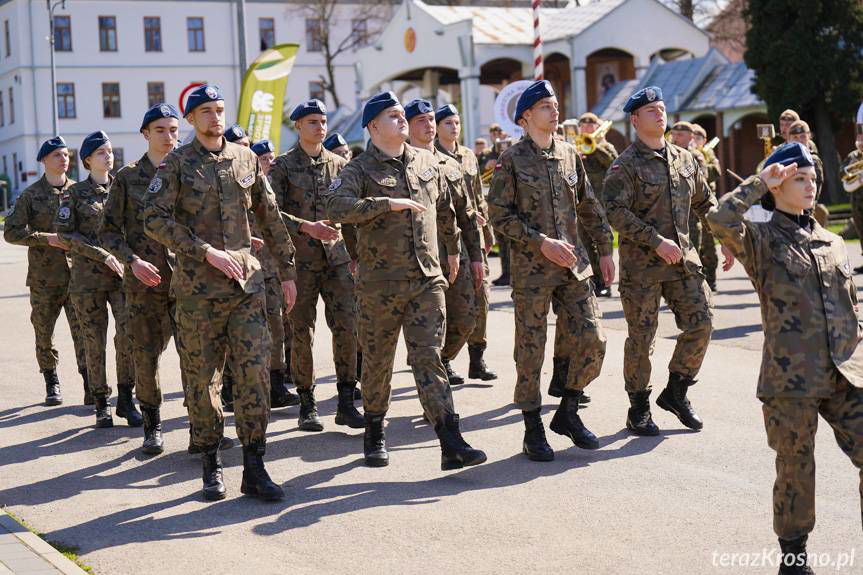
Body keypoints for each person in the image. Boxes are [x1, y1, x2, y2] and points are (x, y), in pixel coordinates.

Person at [707, 142, 863, 575]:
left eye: (813, 178)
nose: (811, 185)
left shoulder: (833, 241)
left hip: (846, 374)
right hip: (791, 380)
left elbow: (849, 309)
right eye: (799, 179)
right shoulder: (761, 239)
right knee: (796, 469)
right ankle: (794, 559)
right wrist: (760, 183)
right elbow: (719, 219)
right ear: (777, 185)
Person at [143, 85, 297, 502]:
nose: (215, 117)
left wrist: (287, 272)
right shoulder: (177, 164)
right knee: (202, 380)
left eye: (220, 110)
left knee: (254, 376)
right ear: (191, 119)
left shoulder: (245, 159)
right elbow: (152, 219)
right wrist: (204, 251)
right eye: (207, 111)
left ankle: (254, 467)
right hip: (198, 293)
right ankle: (210, 461)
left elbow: (270, 215)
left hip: (246, 288)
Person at [323, 91, 487, 470]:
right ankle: (374, 430)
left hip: (426, 280)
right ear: (373, 126)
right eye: (393, 116)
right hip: (380, 284)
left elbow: (445, 209)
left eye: (402, 114)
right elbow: (334, 207)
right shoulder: (359, 169)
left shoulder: (427, 162)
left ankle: (450, 439)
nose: (401, 120)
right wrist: (385, 204)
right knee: (378, 360)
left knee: (429, 356)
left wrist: (452, 251)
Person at [488, 80, 614, 461]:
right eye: (545, 105)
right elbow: (499, 216)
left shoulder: (570, 154)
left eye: (556, 104)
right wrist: (540, 242)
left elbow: (588, 205)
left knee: (593, 338)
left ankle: (568, 410)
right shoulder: (511, 160)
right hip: (532, 270)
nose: (555, 110)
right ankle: (532, 428)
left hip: (573, 266)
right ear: (525, 117)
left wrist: (605, 250)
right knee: (531, 350)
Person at [603, 86, 733, 436]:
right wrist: (655, 240)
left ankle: (676, 391)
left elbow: (706, 202)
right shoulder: (625, 165)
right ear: (635, 120)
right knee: (642, 338)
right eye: (651, 110)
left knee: (702, 323)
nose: (659, 113)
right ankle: (638, 407)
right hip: (642, 268)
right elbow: (614, 212)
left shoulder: (685, 159)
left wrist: (725, 238)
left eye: (661, 108)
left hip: (683, 263)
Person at [268, 99, 363, 432]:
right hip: (301, 262)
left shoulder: (340, 165)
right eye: (312, 122)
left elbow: (351, 212)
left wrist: (356, 254)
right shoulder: (282, 167)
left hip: (338, 261)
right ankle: (307, 404)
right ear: (298, 126)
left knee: (348, 327)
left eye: (323, 121)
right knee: (301, 333)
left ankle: (346, 401)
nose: (320, 127)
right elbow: (269, 213)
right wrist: (306, 227)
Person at [99, 104, 183, 454]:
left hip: (190, 282)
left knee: (198, 356)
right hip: (144, 283)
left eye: (174, 130)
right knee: (146, 355)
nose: (169, 137)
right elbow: (107, 231)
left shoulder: (190, 170)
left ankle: (203, 427)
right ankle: (152, 425)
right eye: (160, 130)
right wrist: (131, 261)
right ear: (146, 134)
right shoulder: (128, 177)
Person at [55, 131, 141, 429]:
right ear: (88, 160)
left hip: (121, 279)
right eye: (101, 152)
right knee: (94, 341)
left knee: (127, 335)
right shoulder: (74, 194)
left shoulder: (122, 188)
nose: (109, 156)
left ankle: (126, 398)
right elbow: (65, 234)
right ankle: (101, 402)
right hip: (87, 281)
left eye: (110, 151)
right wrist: (101, 255)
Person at [4, 137, 88, 406]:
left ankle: (90, 382)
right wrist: (45, 238)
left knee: (84, 332)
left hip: (78, 277)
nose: (64, 159)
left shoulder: (79, 191)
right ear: (44, 160)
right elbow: (11, 232)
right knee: (43, 332)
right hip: (44, 278)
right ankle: (51, 381)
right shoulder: (30, 195)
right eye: (57, 155)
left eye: (66, 155)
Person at [404, 99, 482, 386]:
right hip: (416, 257)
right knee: (427, 323)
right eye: (421, 121)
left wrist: (477, 256)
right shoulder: (400, 164)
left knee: (466, 317)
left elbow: (466, 213)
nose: (428, 125)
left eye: (430, 119)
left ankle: (443, 358)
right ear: (408, 126)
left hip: (453, 253)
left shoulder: (450, 164)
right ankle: (430, 370)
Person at [435, 103, 498, 381]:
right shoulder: (431, 156)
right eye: (448, 123)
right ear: (437, 127)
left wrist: (488, 233)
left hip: (474, 234)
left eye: (457, 122)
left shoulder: (468, 156)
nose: (454, 127)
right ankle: (444, 358)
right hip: (447, 238)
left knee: (481, 297)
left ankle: (477, 358)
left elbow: (477, 197)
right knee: (453, 303)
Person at [692, 124, 722, 291]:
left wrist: (701, 164)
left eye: (698, 137)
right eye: (693, 137)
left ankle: (711, 278)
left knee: (708, 243)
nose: (695, 140)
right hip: (692, 206)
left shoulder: (708, 153)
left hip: (706, 204)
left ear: (704, 140)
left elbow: (716, 171)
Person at [787, 120, 825, 201]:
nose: (799, 140)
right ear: (789, 139)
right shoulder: (785, 159)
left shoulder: (813, 160)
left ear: (809, 136)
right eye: (795, 137)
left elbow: (815, 193)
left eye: (803, 136)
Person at [843, 125, 863, 273]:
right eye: (859, 138)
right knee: (861, 231)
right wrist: (854, 175)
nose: (861, 142)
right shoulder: (852, 156)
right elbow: (842, 173)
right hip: (857, 201)